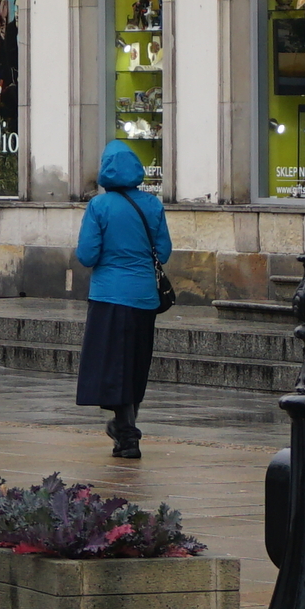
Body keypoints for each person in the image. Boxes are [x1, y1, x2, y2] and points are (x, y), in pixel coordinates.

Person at [71, 140, 172, 460]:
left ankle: (127, 433)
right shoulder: (153, 205)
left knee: (111, 365)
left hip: (108, 296)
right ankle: (126, 427)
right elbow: (165, 251)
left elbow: (87, 255)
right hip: (143, 297)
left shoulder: (99, 207)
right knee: (135, 364)